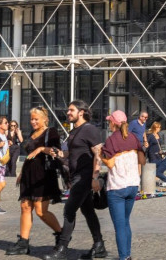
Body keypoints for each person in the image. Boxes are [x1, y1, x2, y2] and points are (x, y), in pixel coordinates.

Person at [44, 100, 106, 260]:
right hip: (76, 175)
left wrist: (95, 177)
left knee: (69, 210)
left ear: (82, 112)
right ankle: (99, 245)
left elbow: (98, 154)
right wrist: (58, 154)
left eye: (71, 110)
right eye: (68, 110)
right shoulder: (74, 131)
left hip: (84, 177)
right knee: (87, 211)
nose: (68, 113)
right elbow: (72, 153)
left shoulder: (90, 130)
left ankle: (62, 248)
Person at [6, 106, 62, 256]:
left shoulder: (52, 132)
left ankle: (61, 235)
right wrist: (22, 171)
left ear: (45, 119)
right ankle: (23, 243)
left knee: (40, 211)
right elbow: (29, 154)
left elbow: (56, 151)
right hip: (28, 175)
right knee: (25, 207)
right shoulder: (32, 133)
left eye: (36, 119)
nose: (33, 121)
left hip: (43, 176)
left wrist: (41, 149)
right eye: (31, 119)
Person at [101, 110, 145, 260]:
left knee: (119, 226)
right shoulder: (133, 137)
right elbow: (141, 160)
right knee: (126, 222)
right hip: (133, 185)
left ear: (113, 123)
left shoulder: (112, 140)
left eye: (109, 121)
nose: (108, 124)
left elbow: (111, 163)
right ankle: (127, 255)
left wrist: (101, 157)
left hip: (117, 186)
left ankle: (124, 257)